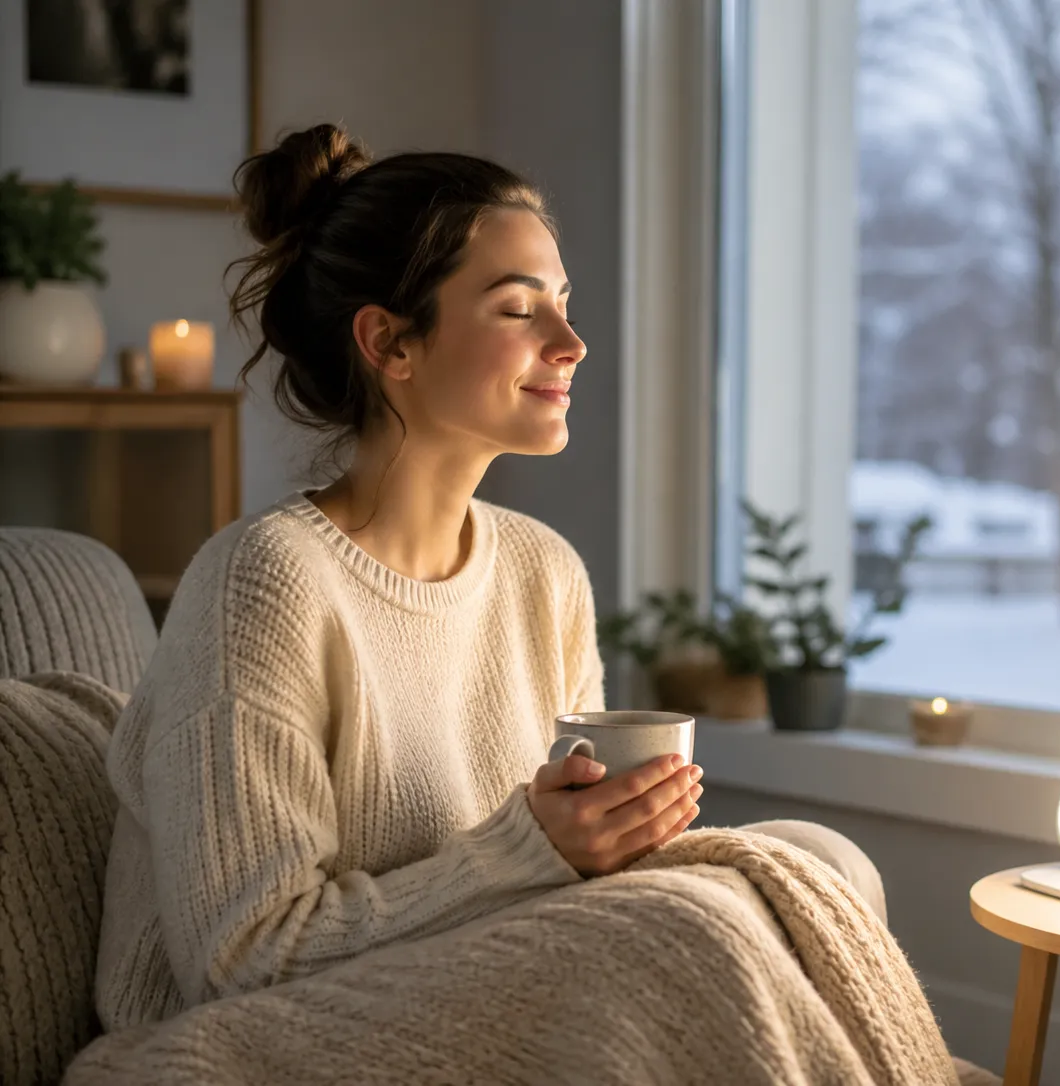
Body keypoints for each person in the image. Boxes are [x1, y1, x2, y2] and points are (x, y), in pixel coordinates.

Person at [93, 124, 884, 1033]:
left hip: (485, 987)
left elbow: (563, 885)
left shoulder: (545, 572)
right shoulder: (263, 583)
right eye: (518, 310)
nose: (571, 342)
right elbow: (242, 959)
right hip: (259, 1044)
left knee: (820, 859)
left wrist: (610, 842)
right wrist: (529, 849)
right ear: (390, 343)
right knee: (700, 934)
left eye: (563, 304)